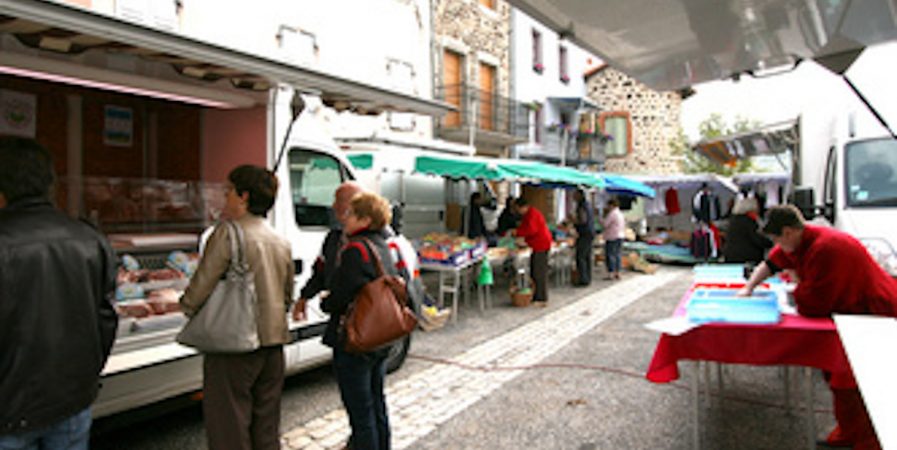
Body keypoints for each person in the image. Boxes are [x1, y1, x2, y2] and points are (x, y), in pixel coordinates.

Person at [739, 205, 897, 450]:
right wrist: (749, 288)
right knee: (835, 374)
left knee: (856, 384)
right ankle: (849, 432)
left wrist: (798, 282)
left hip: (875, 312)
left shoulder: (826, 248)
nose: (775, 243)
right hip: (849, 314)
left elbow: (814, 303)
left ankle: (869, 441)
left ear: (789, 232)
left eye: (776, 237)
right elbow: (771, 263)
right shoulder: (801, 241)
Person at [0, 137, 118, 450]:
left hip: (8, 411)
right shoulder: (89, 238)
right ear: (50, 183)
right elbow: (106, 318)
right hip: (72, 402)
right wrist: (86, 378)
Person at [180, 165, 294, 450]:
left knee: (229, 425)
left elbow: (200, 286)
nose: (224, 196)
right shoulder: (279, 240)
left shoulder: (228, 234)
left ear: (243, 196)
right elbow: (288, 293)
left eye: (228, 190)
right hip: (273, 343)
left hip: (235, 345)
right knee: (266, 426)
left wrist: (185, 306)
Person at [322, 192, 397, 449]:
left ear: (365, 219)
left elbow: (341, 295)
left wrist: (325, 302)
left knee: (360, 413)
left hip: (356, 340)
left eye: (350, 214)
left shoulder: (356, 249)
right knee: (376, 403)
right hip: (379, 337)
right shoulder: (383, 245)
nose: (344, 218)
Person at [293, 181, 364, 322]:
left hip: (363, 319)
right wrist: (304, 297)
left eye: (339, 200)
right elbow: (321, 271)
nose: (333, 206)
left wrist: (329, 302)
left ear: (353, 205)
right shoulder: (334, 237)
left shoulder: (371, 241)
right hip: (340, 319)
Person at [512, 197, 552, 306]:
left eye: (518, 209)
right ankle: (536, 295)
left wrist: (518, 233)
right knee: (535, 270)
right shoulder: (528, 214)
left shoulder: (532, 214)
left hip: (541, 244)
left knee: (539, 271)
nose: (518, 212)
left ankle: (541, 298)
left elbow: (531, 229)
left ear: (523, 207)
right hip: (536, 244)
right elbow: (526, 227)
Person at [722, 197, 772, 264]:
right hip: (747, 257)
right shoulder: (749, 221)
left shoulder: (733, 220)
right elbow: (757, 238)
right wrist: (772, 242)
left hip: (731, 255)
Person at [572, 189, 596, 286]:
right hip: (589, 233)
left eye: (575, 195)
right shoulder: (588, 204)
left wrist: (574, 220)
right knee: (587, 256)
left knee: (581, 257)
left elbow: (583, 220)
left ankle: (583, 279)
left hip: (584, 233)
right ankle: (587, 278)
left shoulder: (582, 205)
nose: (573, 197)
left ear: (579, 195)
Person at [601, 198, 625, 280]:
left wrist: (601, 217)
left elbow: (605, 224)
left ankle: (610, 273)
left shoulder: (612, 214)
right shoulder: (620, 213)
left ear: (612, 205)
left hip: (612, 236)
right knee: (617, 254)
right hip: (620, 235)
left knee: (610, 255)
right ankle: (618, 272)